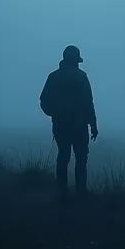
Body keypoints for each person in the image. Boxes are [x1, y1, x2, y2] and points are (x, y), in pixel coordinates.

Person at [39, 45, 99, 201]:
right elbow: (88, 103)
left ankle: (62, 192)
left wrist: (54, 113)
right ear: (76, 60)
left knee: (63, 156)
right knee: (81, 160)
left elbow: (43, 101)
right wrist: (93, 125)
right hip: (79, 126)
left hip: (61, 125)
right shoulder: (81, 77)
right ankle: (81, 193)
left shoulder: (53, 77)